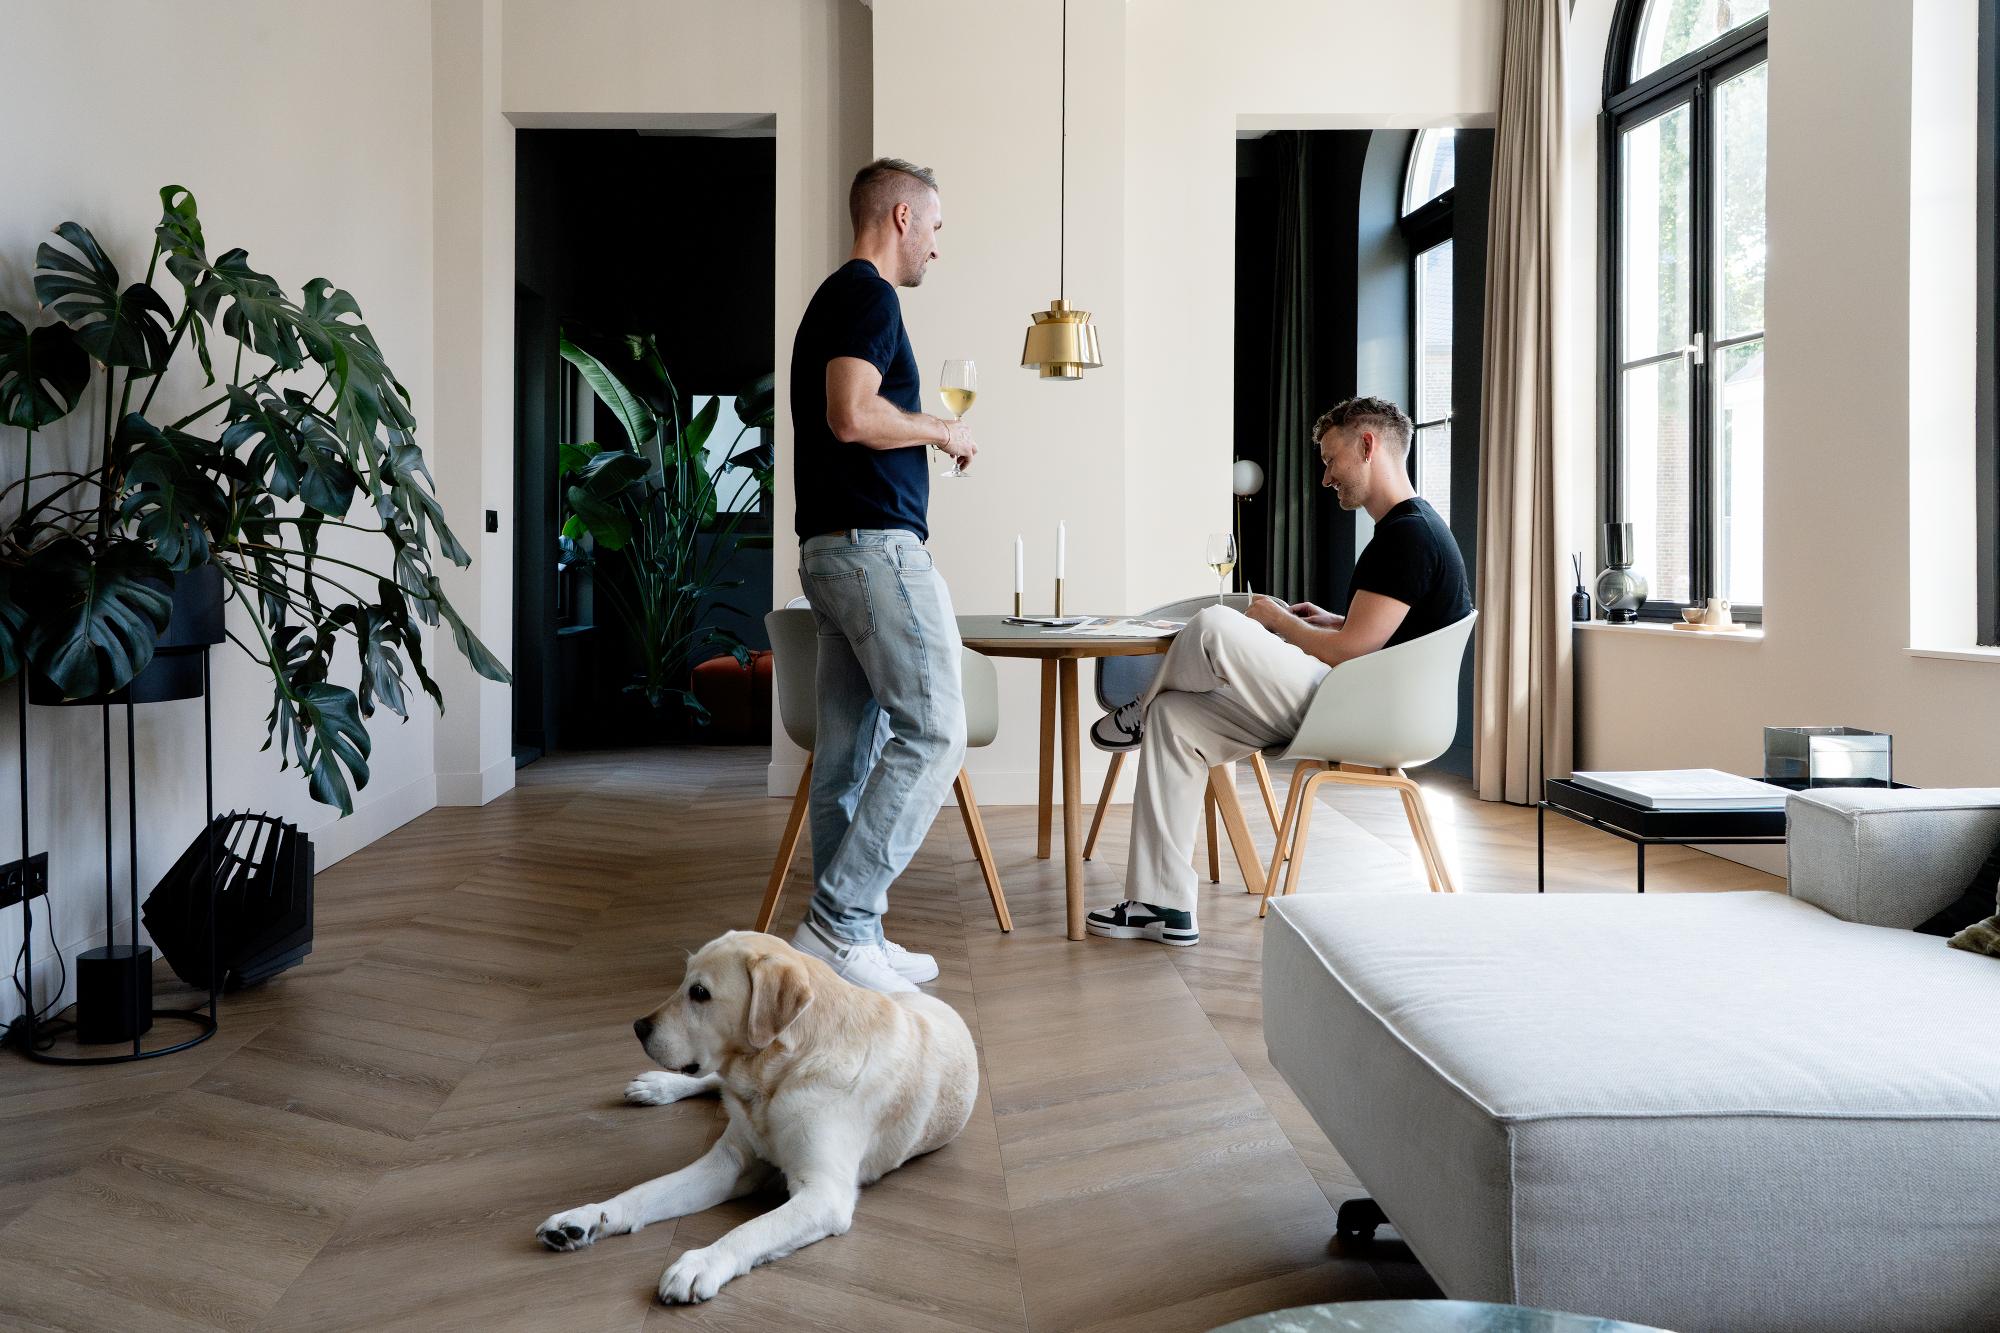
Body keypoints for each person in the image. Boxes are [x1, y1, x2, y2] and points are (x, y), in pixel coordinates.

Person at [1083, 396, 1471, 946]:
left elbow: (1347, 654)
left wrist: (1277, 623)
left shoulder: (1407, 536)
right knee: (1175, 719)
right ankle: (1160, 903)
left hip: (1353, 708)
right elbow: (1383, 635)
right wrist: (1330, 618)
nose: (1325, 476)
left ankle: (1136, 711)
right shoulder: (1414, 527)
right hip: (1363, 702)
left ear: (1366, 447)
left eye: (1331, 459)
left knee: (1217, 622)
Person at [785, 158, 978, 994]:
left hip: (832, 551)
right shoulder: (868, 295)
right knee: (936, 731)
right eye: (934, 227)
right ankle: (835, 923)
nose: (937, 247)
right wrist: (940, 429)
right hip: (874, 551)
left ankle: (853, 936)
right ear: (901, 216)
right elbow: (851, 414)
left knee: (846, 761)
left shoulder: (833, 298)